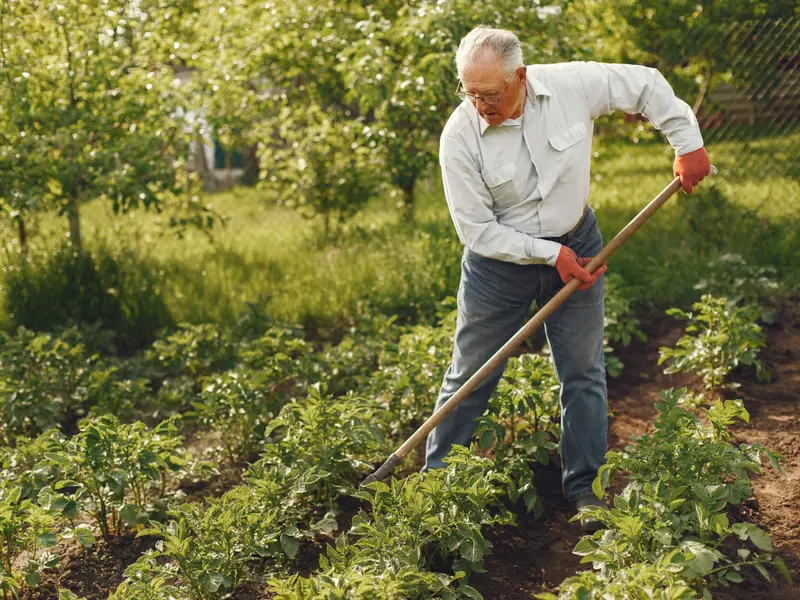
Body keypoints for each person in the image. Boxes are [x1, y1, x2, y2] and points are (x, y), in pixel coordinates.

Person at [424, 26, 710, 532]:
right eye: (470, 93)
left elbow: (644, 85)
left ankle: (586, 490)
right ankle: (436, 489)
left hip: (578, 244)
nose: (480, 104)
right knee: (472, 373)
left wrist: (687, 143)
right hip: (499, 267)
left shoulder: (571, 85)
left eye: (490, 93)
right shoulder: (460, 136)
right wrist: (545, 254)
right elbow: (476, 231)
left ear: (521, 77)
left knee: (583, 373)